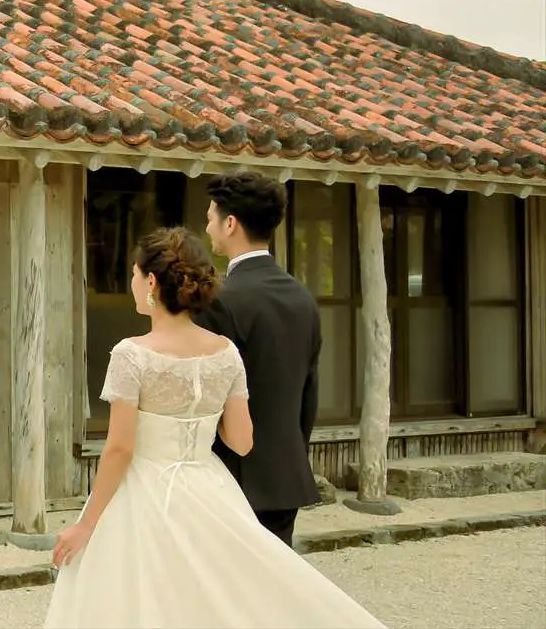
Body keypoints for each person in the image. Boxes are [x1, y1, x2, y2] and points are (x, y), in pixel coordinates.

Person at [43, 228, 382, 628]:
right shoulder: (225, 352)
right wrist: (200, 414)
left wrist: (86, 524)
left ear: (151, 282)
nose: (133, 284)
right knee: (215, 594)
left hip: (143, 492)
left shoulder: (131, 354)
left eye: (135, 275)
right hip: (209, 487)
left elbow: (120, 448)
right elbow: (241, 441)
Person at [195, 170, 323, 546]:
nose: (208, 227)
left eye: (210, 218)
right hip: (286, 473)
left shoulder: (221, 301)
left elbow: (207, 397)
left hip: (232, 477)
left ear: (230, 223)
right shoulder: (303, 298)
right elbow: (308, 395)